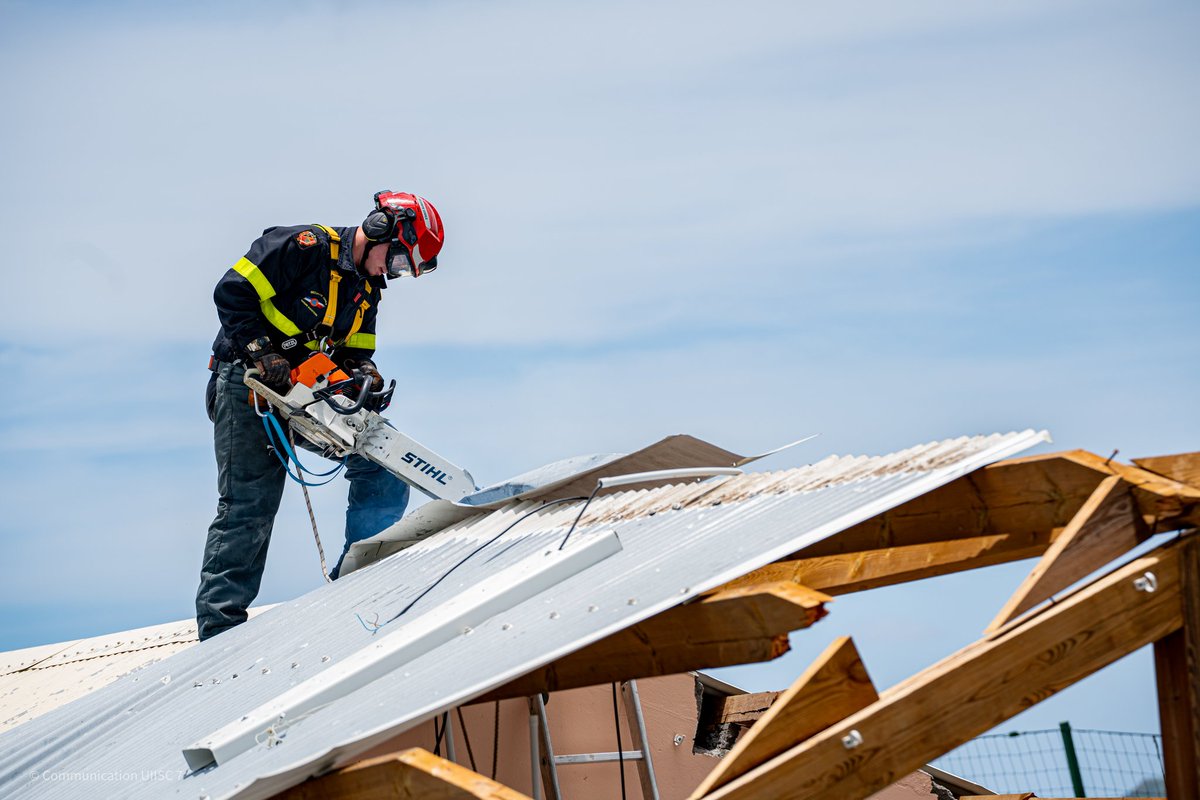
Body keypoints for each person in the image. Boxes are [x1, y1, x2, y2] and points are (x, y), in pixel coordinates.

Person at [196, 190, 445, 640]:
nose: (395, 273)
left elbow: (356, 354)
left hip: (307, 393)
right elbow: (231, 292)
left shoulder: (366, 291)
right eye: (400, 262)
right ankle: (219, 631)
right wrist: (262, 351)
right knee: (249, 505)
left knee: (381, 465)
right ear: (378, 230)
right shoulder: (302, 247)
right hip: (247, 385)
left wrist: (363, 376)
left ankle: (359, 579)